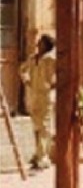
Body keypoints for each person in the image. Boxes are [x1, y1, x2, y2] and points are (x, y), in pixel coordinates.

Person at [20, 33, 56, 171]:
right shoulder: (33, 58)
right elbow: (22, 69)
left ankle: (43, 156)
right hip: (34, 94)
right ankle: (38, 153)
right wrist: (27, 80)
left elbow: (58, 73)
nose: (38, 45)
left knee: (45, 126)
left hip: (45, 95)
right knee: (36, 125)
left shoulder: (51, 59)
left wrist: (51, 84)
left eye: (41, 43)